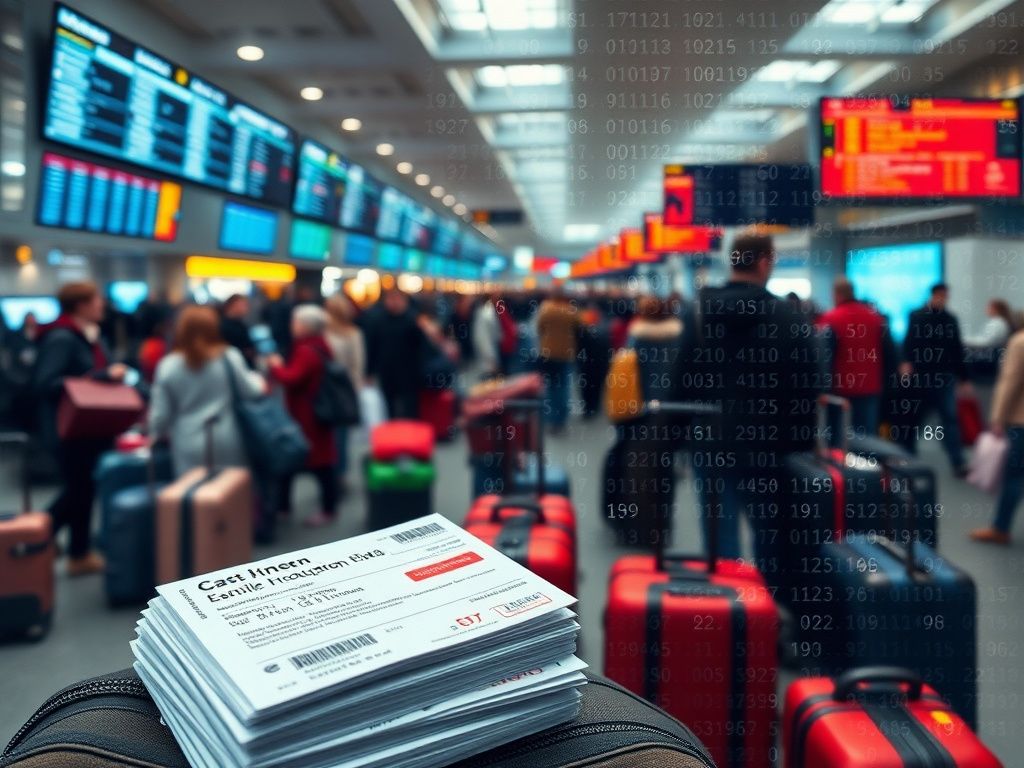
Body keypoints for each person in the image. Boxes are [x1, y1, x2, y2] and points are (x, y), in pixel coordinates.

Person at [675, 234, 824, 563]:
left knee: (718, 532)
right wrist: (804, 446)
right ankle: (767, 604)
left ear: (732, 261)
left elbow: (679, 381)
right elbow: (806, 388)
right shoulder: (789, 318)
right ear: (764, 262)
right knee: (770, 531)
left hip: (710, 439)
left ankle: (731, 605)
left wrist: (676, 441)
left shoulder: (698, 313)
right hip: (769, 444)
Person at [33, 281, 127, 576]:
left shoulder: (91, 337)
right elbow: (46, 383)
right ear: (81, 304)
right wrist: (101, 377)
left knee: (84, 489)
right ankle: (42, 536)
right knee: (78, 489)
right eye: (97, 299)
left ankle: (75, 550)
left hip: (91, 427)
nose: (102, 304)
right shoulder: (62, 338)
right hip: (70, 429)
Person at [148, 306, 265, 476]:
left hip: (187, 441)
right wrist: (258, 378)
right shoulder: (229, 357)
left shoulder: (168, 366)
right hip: (228, 436)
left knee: (194, 495)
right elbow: (252, 391)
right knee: (230, 493)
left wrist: (154, 436)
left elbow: (160, 416)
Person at [267, 305, 338, 527]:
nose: (292, 326)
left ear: (306, 326)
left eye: (296, 322)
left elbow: (292, 378)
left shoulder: (306, 351)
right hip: (314, 414)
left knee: (314, 464)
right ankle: (285, 507)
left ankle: (324, 509)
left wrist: (276, 366)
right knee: (315, 463)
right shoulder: (320, 345)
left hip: (307, 416)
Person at [900, 283, 971, 475]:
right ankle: (908, 456)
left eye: (945, 296)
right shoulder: (917, 316)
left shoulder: (950, 319)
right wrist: (906, 362)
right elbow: (909, 341)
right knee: (916, 417)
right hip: (922, 374)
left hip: (944, 375)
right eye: (940, 295)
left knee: (949, 418)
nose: (943, 299)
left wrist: (963, 378)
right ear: (933, 295)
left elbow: (957, 349)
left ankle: (957, 461)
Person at [816, 277, 896, 441]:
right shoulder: (876, 318)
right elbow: (890, 355)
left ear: (836, 294)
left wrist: (821, 389)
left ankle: (841, 466)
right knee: (867, 440)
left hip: (840, 391)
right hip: (870, 388)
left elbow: (824, 358)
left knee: (840, 439)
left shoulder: (830, 319)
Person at [971, 328, 1024, 545]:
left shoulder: (1020, 342)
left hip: (1020, 419)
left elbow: (1010, 382)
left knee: (1015, 476)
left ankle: (1000, 528)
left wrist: (998, 418)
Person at [363, 289, 425, 419]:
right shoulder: (377, 320)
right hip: (386, 370)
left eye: (397, 299)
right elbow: (371, 346)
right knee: (388, 405)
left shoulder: (413, 319)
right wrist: (369, 372)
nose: (394, 303)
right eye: (390, 299)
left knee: (410, 405)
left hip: (409, 371)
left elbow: (422, 346)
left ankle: (411, 431)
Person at [325, 294, 365, 489]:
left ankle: (338, 473)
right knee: (333, 436)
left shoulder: (351, 334)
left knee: (340, 436)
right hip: (330, 391)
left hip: (341, 392)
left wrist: (354, 392)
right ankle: (334, 472)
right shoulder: (325, 333)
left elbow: (357, 367)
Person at [536, 288, 580, 433]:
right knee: (564, 386)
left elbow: (539, 328)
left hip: (548, 352)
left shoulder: (545, 309)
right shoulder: (571, 310)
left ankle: (551, 418)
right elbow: (578, 327)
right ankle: (561, 417)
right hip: (566, 353)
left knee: (550, 386)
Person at [627, 296, 683, 404]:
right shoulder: (677, 333)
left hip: (643, 387)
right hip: (672, 388)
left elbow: (628, 358)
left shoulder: (637, 335)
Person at [220, 294, 256, 369]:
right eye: (243, 305)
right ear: (233, 305)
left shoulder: (241, 325)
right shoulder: (223, 326)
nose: (246, 308)